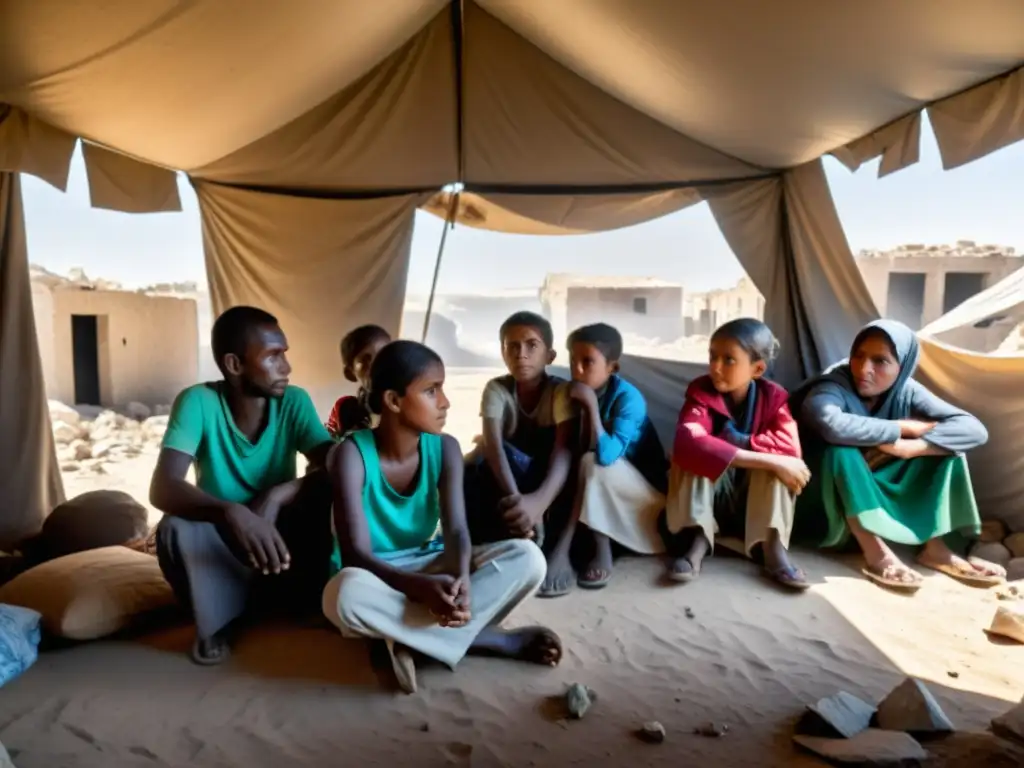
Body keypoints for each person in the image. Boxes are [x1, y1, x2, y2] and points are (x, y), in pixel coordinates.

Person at [322, 340, 562, 694]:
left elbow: (457, 531)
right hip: (375, 575)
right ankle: (489, 641)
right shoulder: (351, 455)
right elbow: (356, 554)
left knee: (528, 559)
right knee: (343, 595)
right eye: (431, 391)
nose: (445, 402)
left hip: (429, 563)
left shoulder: (446, 447)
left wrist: (460, 579)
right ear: (393, 401)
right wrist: (419, 588)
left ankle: (404, 640)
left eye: (443, 389)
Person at [151, 306, 335, 665]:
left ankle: (290, 601)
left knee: (327, 498)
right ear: (234, 365)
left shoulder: (293, 402)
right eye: (273, 356)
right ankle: (219, 619)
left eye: (285, 354)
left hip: (278, 541)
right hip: (224, 540)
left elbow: (339, 466)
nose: (286, 366)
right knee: (173, 529)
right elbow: (163, 487)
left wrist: (280, 494)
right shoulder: (198, 403)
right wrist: (229, 512)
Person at [791, 318, 1005, 591]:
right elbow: (828, 423)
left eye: (880, 361)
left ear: (902, 368)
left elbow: (974, 430)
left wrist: (917, 446)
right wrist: (901, 428)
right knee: (839, 452)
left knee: (949, 452)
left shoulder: (906, 390)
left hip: (868, 487)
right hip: (822, 503)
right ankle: (875, 552)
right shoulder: (834, 384)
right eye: (858, 355)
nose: (864, 369)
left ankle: (936, 549)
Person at [662, 318, 810, 590]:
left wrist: (734, 446)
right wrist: (769, 457)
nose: (716, 367)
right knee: (690, 458)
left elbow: (789, 450)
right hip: (712, 501)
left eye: (729, 360)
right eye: (712, 356)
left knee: (785, 468)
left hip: (749, 505)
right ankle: (699, 539)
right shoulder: (700, 392)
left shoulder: (774, 398)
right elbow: (688, 441)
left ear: (757, 369)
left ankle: (772, 548)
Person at [539, 323, 668, 598]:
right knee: (577, 464)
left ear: (612, 368)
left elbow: (606, 456)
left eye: (588, 362)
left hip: (647, 497)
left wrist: (591, 407)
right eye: (573, 360)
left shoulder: (628, 398)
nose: (577, 369)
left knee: (591, 462)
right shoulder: (572, 392)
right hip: (606, 488)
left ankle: (601, 549)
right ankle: (563, 546)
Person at [463, 311, 573, 547]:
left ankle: (543, 536)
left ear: (550, 356)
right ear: (503, 353)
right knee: (470, 465)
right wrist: (521, 504)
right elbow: (494, 449)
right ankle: (477, 545)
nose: (521, 354)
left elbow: (563, 451)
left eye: (531, 345)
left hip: (549, 478)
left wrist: (538, 504)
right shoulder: (497, 389)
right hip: (512, 477)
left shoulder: (560, 392)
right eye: (512, 346)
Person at [325, 324, 391, 440]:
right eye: (365, 360)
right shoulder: (346, 410)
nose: (377, 365)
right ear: (350, 373)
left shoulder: (411, 406)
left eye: (384, 355)